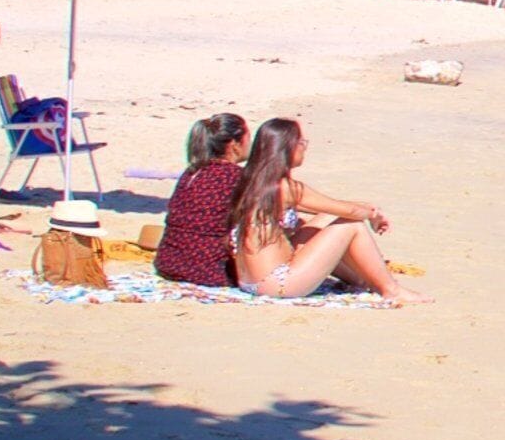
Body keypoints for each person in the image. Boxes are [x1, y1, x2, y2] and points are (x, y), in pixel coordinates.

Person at [229, 119, 421, 303]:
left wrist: (368, 208)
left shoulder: (253, 183)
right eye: (302, 142)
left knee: (330, 217)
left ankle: (362, 279)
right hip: (275, 285)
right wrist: (373, 215)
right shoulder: (285, 187)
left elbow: (332, 207)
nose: (305, 147)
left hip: (250, 282)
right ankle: (391, 290)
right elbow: (351, 212)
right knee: (350, 226)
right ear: (287, 148)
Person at [153, 112, 251, 288]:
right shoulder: (236, 176)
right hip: (208, 271)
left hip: (168, 263)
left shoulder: (191, 172)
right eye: (247, 138)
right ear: (234, 144)